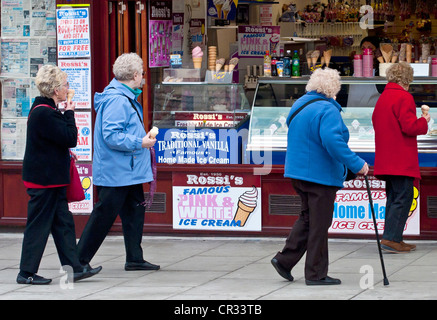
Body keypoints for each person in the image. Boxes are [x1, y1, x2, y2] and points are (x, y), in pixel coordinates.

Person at [271, 68, 368, 285]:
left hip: (298, 173)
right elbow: (333, 142)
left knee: (307, 218)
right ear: (333, 88)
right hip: (319, 175)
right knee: (319, 224)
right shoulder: (327, 110)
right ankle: (316, 274)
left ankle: (284, 261)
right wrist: (357, 164)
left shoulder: (300, 105)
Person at [18, 64, 101, 285]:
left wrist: (64, 112)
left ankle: (74, 267)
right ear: (56, 90)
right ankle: (26, 272)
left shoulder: (46, 110)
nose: (67, 88)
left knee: (64, 224)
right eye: (65, 85)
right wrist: (70, 112)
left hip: (51, 179)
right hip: (44, 181)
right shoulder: (44, 113)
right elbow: (70, 137)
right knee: (38, 226)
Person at [77, 53, 159, 271]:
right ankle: (78, 262)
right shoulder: (117, 100)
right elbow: (111, 136)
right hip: (118, 171)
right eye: (141, 73)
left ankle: (134, 258)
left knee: (134, 213)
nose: (143, 77)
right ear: (134, 75)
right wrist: (140, 142)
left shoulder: (123, 97)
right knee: (103, 216)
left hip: (128, 170)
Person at [372, 62, 430, 253]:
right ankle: (391, 238)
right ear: (407, 79)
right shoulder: (404, 97)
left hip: (385, 157)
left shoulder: (383, 97)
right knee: (403, 198)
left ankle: (394, 237)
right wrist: (424, 121)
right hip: (400, 159)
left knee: (393, 198)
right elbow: (409, 127)